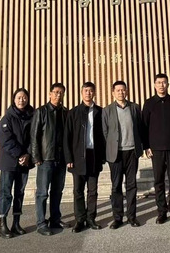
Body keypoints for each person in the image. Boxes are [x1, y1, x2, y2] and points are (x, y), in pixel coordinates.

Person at [142, 73, 170, 224]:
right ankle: (162, 212)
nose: (161, 85)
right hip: (156, 149)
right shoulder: (149, 103)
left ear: (168, 84)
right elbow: (144, 127)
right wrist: (146, 146)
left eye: (164, 82)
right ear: (154, 85)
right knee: (159, 181)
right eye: (159, 82)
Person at [102, 80, 145, 229]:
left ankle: (132, 217)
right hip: (116, 154)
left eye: (123, 90)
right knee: (116, 186)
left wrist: (143, 147)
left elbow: (140, 128)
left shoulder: (135, 108)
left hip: (132, 152)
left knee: (132, 185)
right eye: (118, 90)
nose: (121, 92)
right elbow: (105, 132)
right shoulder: (107, 110)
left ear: (126, 91)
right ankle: (118, 218)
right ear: (113, 92)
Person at [65, 82, 106, 233]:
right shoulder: (73, 112)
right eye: (86, 90)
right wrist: (69, 158)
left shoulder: (100, 112)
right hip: (78, 157)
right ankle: (80, 220)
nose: (88, 93)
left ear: (94, 93)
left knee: (93, 190)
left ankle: (91, 218)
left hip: (94, 155)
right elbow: (67, 137)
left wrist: (103, 156)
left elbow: (104, 136)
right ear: (81, 93)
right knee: (78, 190)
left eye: (91, 90)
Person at [31, 82, 70, 235]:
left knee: (57, 191)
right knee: (42, 192)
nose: (58, 95)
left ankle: (55, 219)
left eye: (61, 92)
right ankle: (41, 223)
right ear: (50, 94)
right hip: (46, 158)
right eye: (55, 92)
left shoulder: (65, 112)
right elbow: (34, 136)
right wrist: (36, 156)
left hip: (61, 159)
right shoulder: (41, 111)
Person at [0, 87, 35, 238]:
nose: (21, 100)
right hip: (9, 162)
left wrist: (28, 154)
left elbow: (34, 137)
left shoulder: (32, 116)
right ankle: (2, 225)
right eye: (19, 97)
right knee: (6, 193)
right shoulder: (7, 118)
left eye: (24, 97)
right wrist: (20, 154)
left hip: (24, 162)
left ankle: (16, 223)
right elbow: (6, 139)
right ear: (14, 99)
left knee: (19, 193)